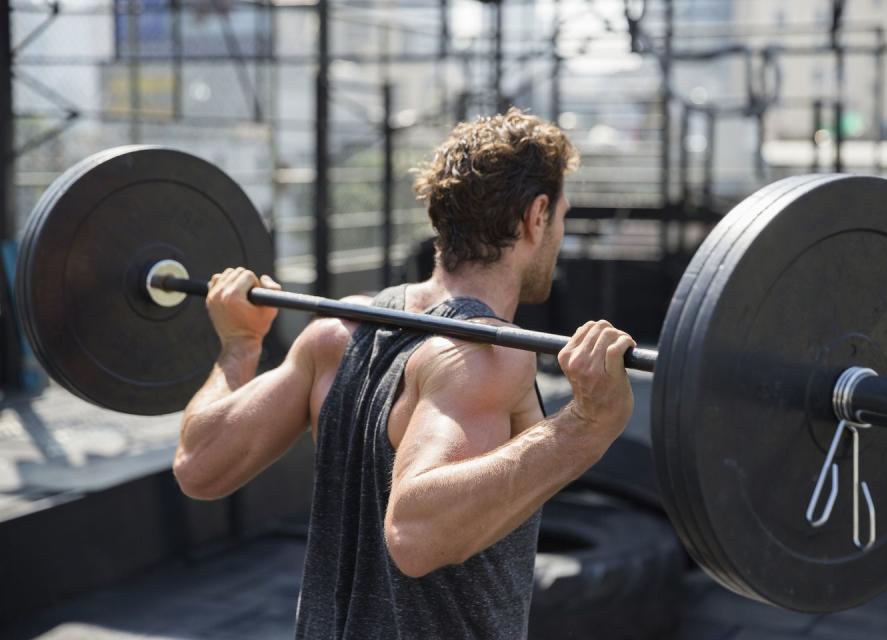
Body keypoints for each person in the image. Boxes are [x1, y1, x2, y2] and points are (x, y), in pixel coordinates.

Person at [173, 108, 637, 639]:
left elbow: (197, 463)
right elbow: (415, 535)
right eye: (560, 218)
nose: (557, 234)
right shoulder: (485, 355)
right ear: (536, 216)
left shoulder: (338, 332)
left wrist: (239, 344)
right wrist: (587, 426)